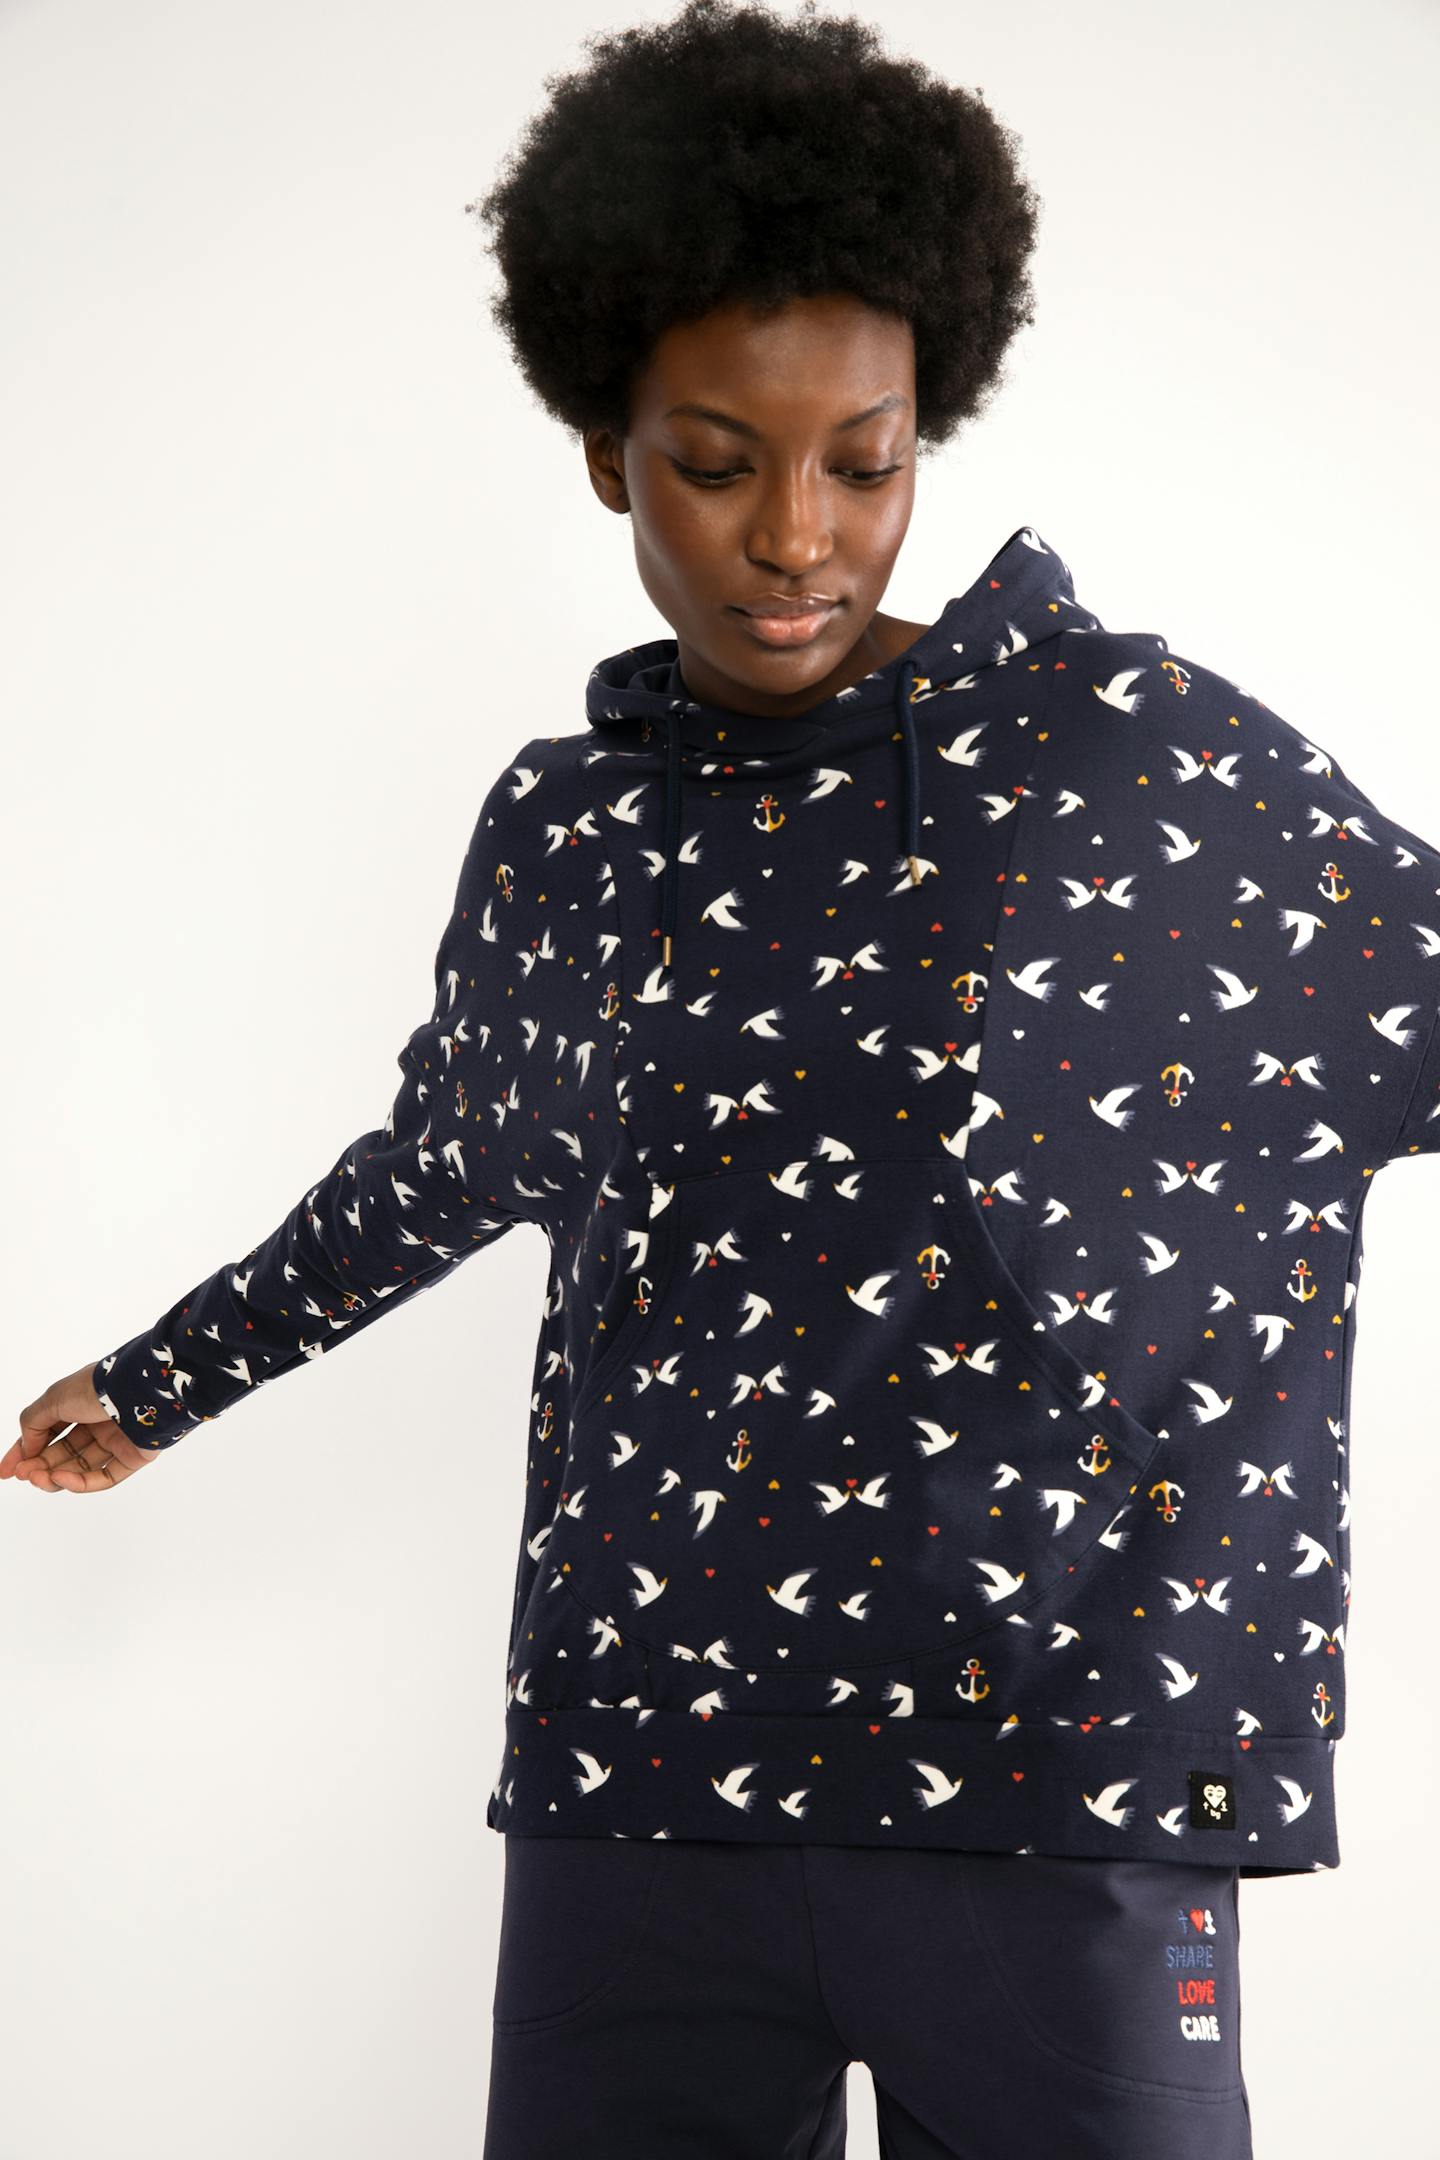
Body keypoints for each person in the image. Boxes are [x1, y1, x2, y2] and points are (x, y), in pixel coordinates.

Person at [9, 1, 1437, 2151]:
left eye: (866, 462)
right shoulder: (572, 828)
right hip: (640, 1783)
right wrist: (163, 1381)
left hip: (1059, 1786)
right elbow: (447, 1161)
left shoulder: (1134, 767)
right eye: (716, 460)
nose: (797, 535)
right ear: (607, 448)